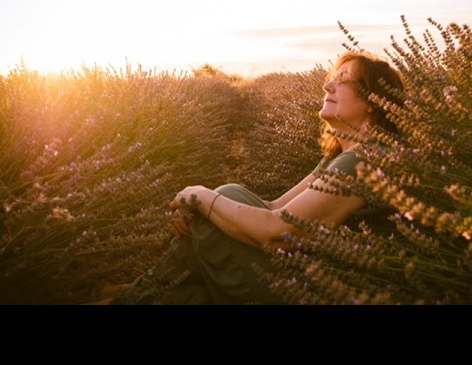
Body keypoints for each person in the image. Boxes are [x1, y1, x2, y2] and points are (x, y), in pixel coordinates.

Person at [110, 50, 404, 305]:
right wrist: (207, 208)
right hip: (302, 277)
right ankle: (148, 289)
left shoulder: (366, 159)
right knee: (228, 199)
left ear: (373, 101)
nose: (327, 85)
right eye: (332, 78)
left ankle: (143, 289)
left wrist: (200, 198)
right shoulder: (340, 156)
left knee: (221, 203)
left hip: (317, 292)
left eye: (344, 80)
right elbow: (274, 207)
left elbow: (278, 233)